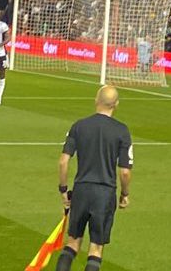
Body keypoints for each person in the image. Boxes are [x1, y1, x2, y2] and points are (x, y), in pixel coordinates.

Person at [56, 85, 133, 271]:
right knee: (96, 249)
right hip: (105, 193)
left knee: (72, 244)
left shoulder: (79, 126)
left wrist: (64, 190)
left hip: (81, 190)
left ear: (96, 100)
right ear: (116, 104)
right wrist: (125, 194)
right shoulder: (122, 131)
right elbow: (124, 171)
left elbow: (63, 162)